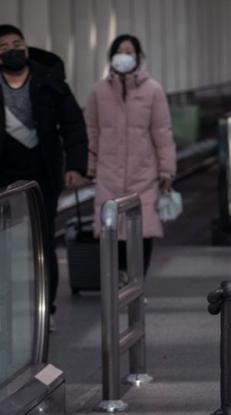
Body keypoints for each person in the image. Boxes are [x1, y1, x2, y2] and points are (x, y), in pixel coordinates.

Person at [0, 24, 88, 328]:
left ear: (26, 46)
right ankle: (4, 304)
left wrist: (75, 166)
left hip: (44, 176)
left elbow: (73, 125)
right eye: (4, 47)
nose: (13, 50)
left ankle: (45, 309)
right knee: (1, 244)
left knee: (43, 242)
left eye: (17, 43)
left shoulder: (51, 83)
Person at [84, 34, 176, 276]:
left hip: (143, 173)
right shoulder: (98, 92)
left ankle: (137, 280)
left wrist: (167, 170)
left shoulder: (153, 90)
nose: (124, 56)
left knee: (142, 230)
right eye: (120, 51)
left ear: (139, 57)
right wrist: (89, 166)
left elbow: (162, 133)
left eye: (129, 51)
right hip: (108, 173)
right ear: (111, 57)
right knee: (110, 229)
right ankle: (119, 279)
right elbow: (91, 131)